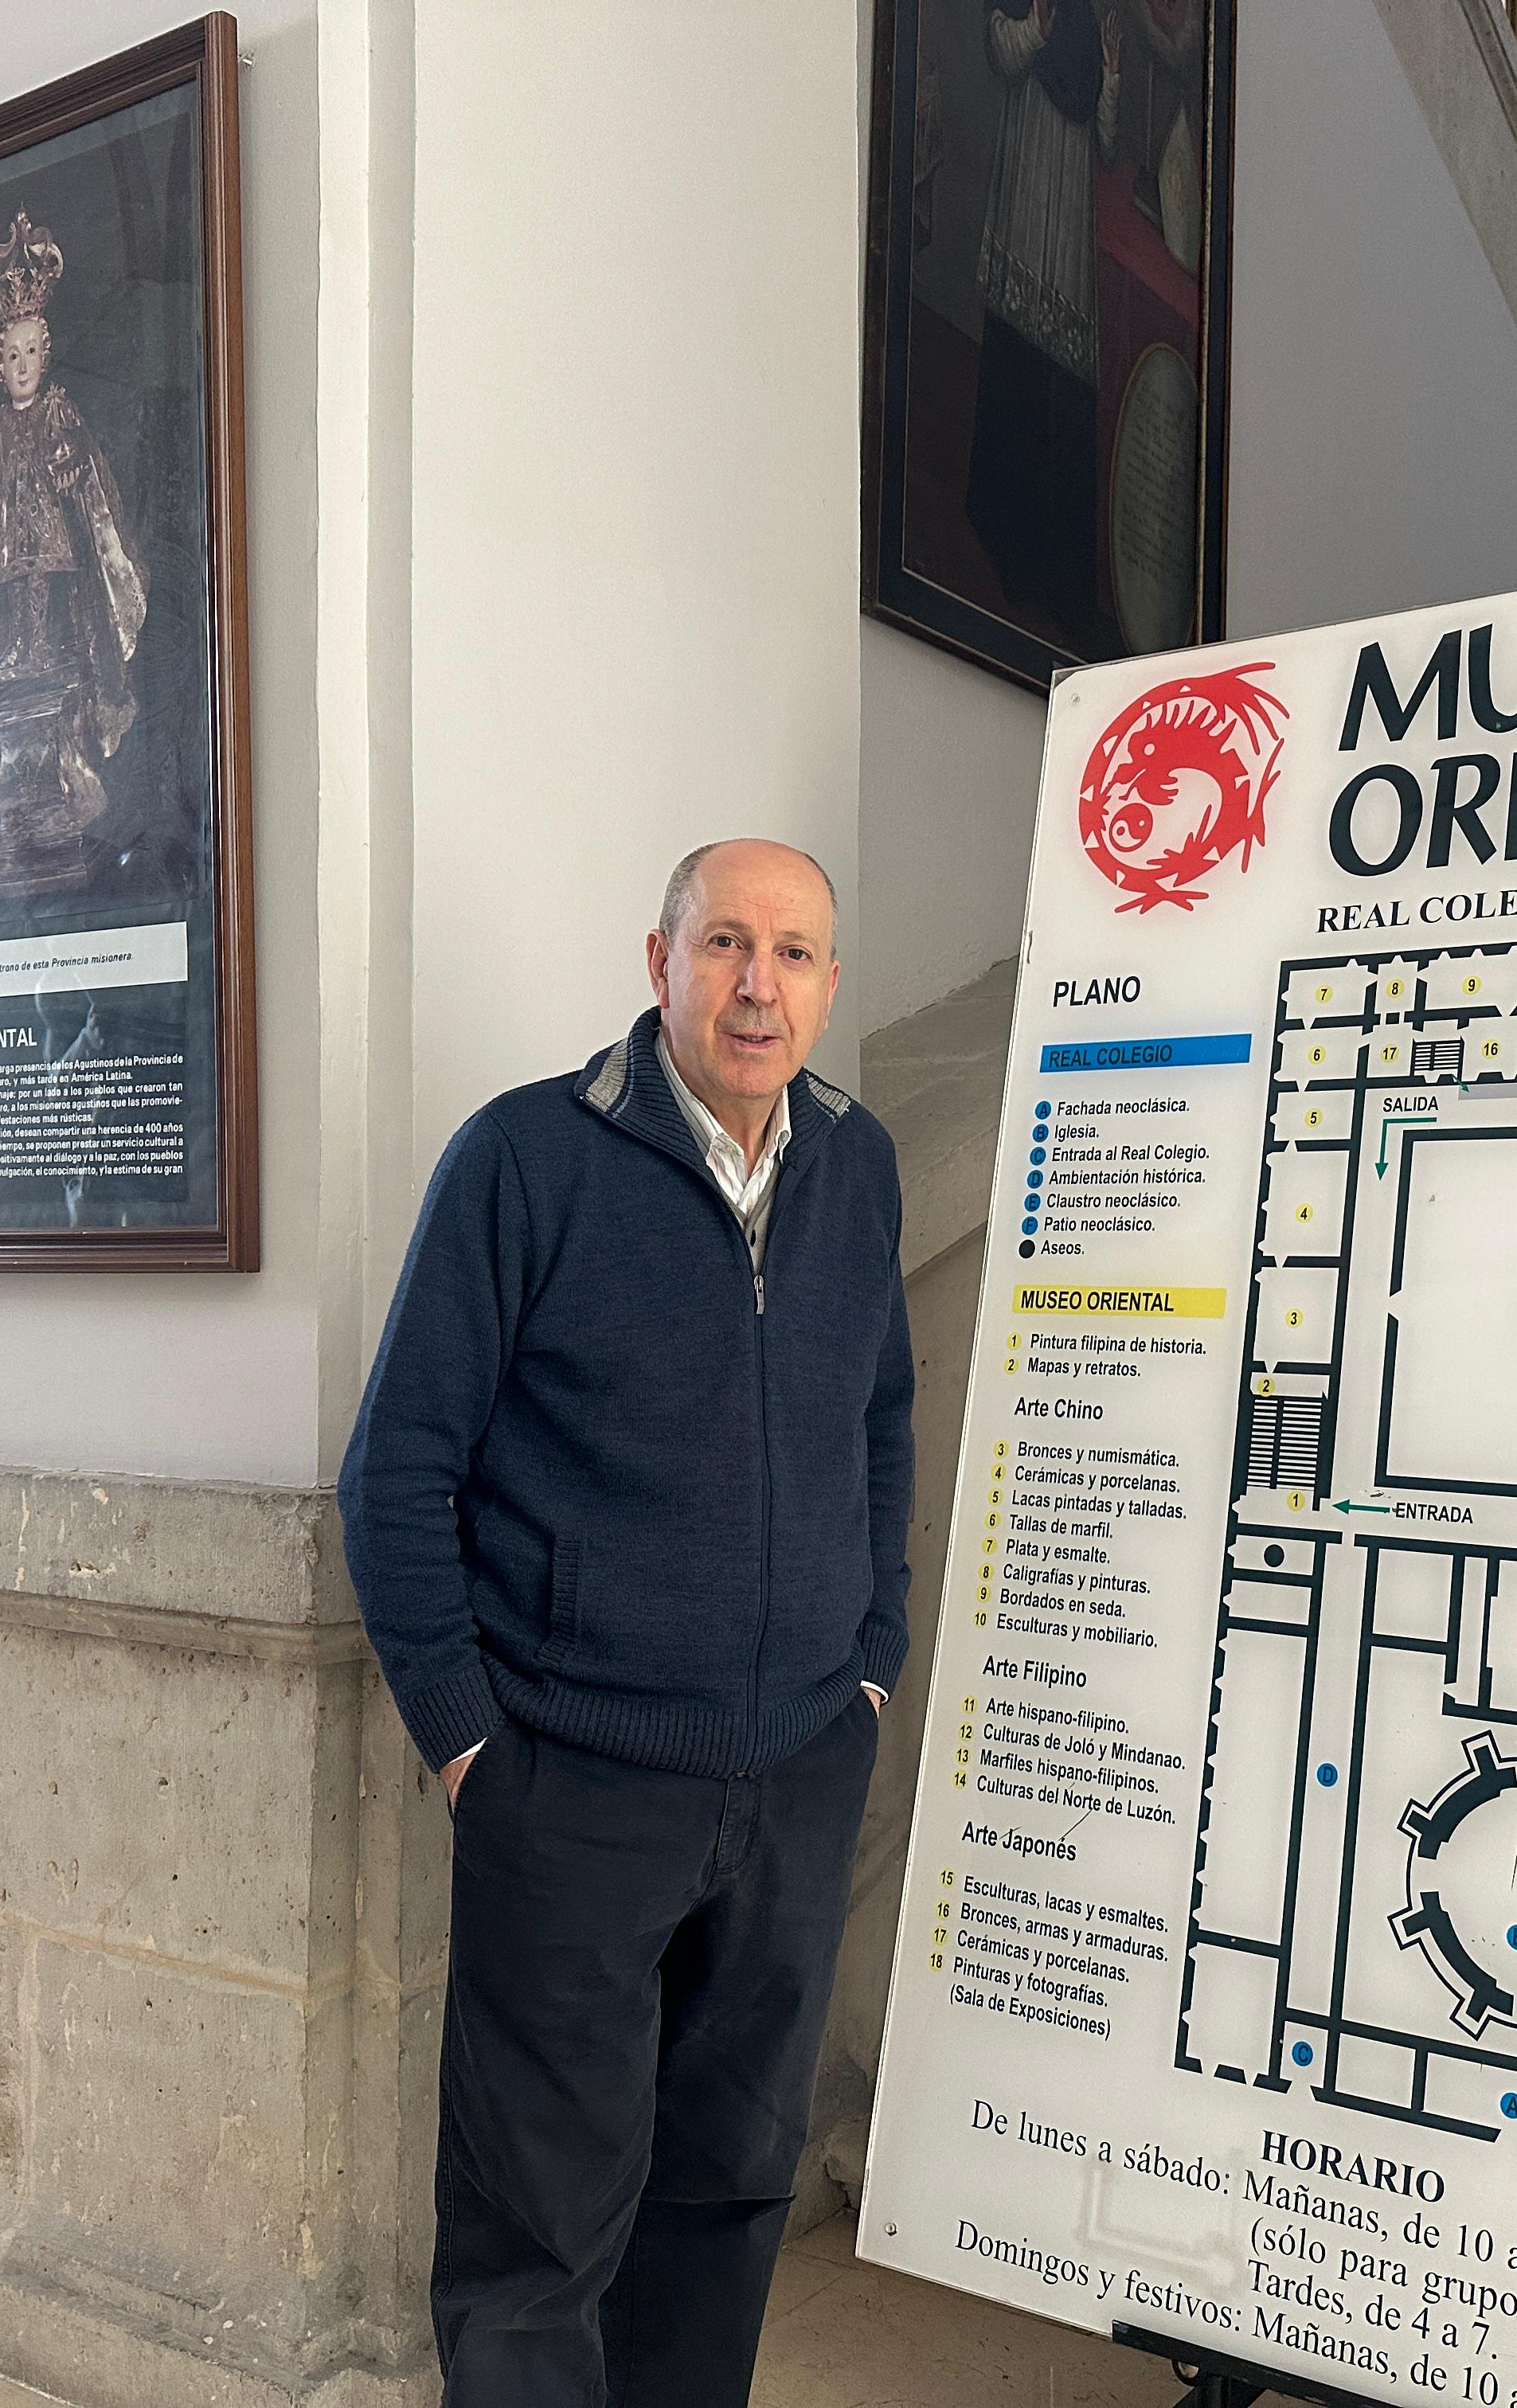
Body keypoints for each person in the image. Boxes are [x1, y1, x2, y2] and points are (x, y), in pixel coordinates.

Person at [342, 838, 913, 2406]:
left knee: (729, 2197)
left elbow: (881, 1426)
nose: (757, 985)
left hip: (795, 1777)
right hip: (573, 1790)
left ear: (827, 987)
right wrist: (472, 1748)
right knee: (538, 2239)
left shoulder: (855, 1167)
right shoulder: (525, 1160)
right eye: (725, 942)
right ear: (656, 960)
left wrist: (870, 1670)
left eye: (794, 955)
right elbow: (397, 1471)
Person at [0, 207, 147, 906]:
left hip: (52, 542)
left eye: (30, 355)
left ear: (46, 355)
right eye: (9, 357)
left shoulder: (61, 413)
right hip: (6, 544)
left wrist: (72, 462)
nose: (19, 368)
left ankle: (39, 652)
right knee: (12, 606)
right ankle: (18, 651)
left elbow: (85, 473)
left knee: (44, 600)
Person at [966, 0, 1121, 651]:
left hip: (1070, 205)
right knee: (1018, 357)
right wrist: (1035, 30)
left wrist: (1110, 77)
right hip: (1031, 183)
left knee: (1064, 384)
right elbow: (1000, 49)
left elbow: (1108, 142)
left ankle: (1058, 576)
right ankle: (1008, 543)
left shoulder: (1094, 16)